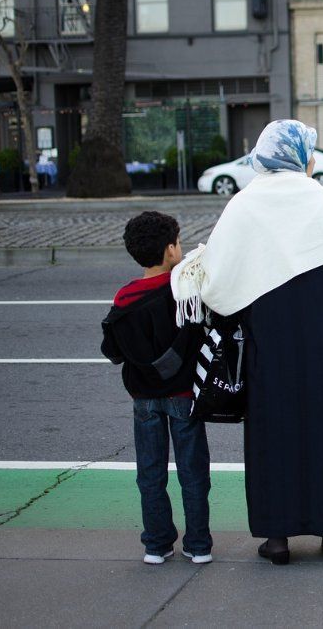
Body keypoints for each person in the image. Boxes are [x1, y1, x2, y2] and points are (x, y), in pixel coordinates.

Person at [171, 119, 323, 565]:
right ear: (300, 155)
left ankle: (277, 539)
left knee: (275, 439)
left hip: (268, 348)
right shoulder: (322, 201)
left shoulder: (244, 205)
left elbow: (219, 284)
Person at [100, 211, 211, 566]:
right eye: (178, 242)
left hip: (143, 398)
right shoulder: (184, 292)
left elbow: (112, 351)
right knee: (193, 473)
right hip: (183, 395)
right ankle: (198, 545)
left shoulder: (124, 298)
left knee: (150, 472)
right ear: (170, 250)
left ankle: (157, 544)